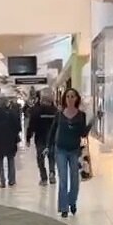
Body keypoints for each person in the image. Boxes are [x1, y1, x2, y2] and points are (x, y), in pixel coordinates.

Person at [50, 88, 91, 217]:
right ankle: (63, 208)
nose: (70, 99)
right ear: (64, 99)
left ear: (77, 98)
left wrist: (91, 123)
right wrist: (48, 146)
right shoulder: (59, 114)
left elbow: (83, 133)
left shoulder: (81, 115)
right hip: (60, 149)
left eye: (72, 96)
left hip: (74, 150)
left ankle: (72, 201)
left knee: (74, 180)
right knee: (63, 180)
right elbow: (53, 130)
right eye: (68, 96)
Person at [24, 91, 58, 186]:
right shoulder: (55, 111)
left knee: (40, 159)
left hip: (40, 139)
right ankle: (52, 173)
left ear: (42, 100)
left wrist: (28, 138)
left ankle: (44, 179)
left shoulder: (36, 111)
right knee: (51, 157)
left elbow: (31, 125)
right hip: (52, 139)